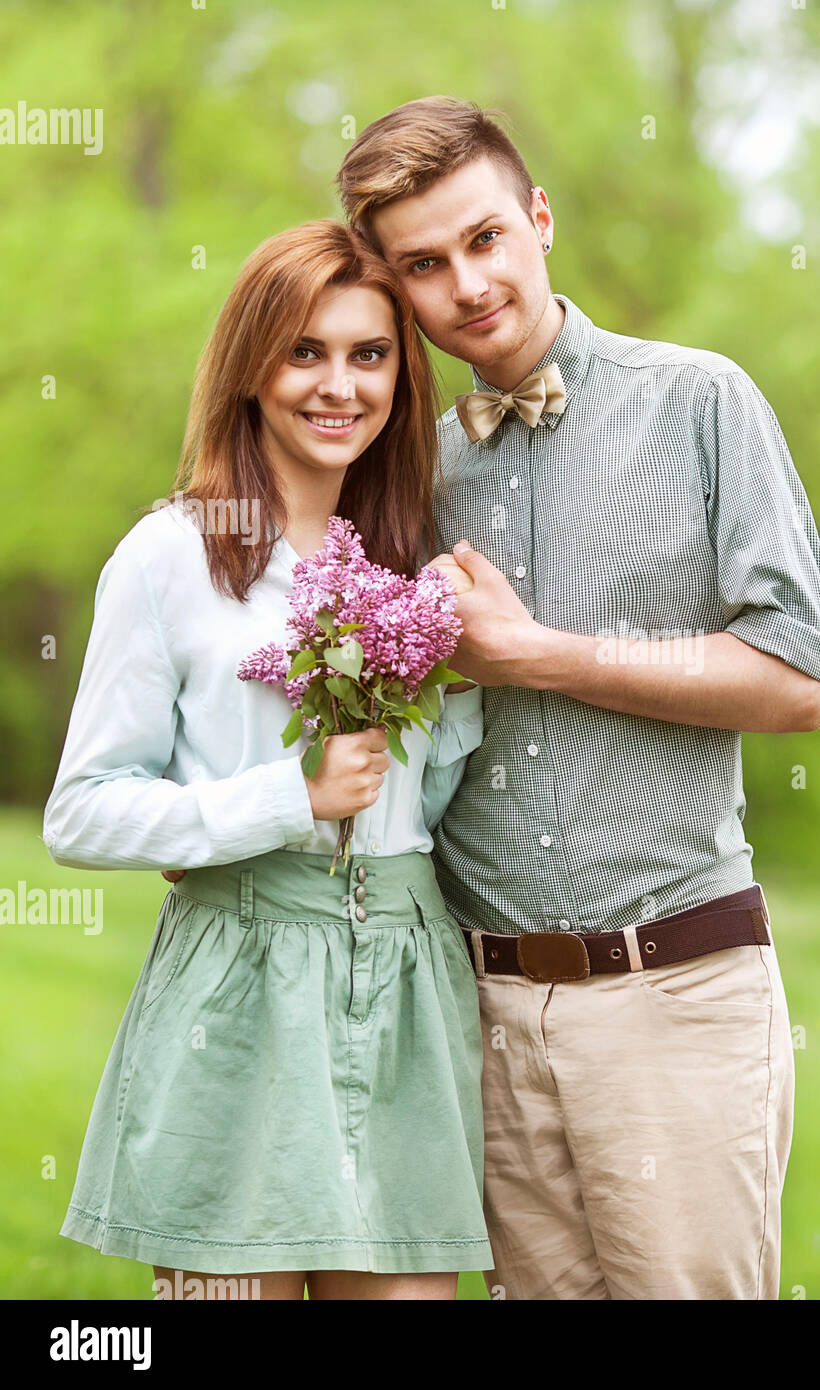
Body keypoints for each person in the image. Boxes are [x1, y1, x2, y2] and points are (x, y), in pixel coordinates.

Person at [336, 97, 820, 1300]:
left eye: (485, 238)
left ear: (540, 219)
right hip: (484, 1007)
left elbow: (796, 681)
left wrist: (538, 654)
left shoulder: (700, 403)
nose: (467, 283)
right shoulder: (398, 466)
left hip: (677, 986)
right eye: (423, 264)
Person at [42, 220, 492, 1300]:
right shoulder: (170, 556)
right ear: (251, 365)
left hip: (403, 981)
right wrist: (281, 801)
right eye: (305, 352)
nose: (338, 386)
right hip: (237, 991)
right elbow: (84, 811)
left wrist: (471, 672)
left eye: (369, 355)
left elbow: (428, 805)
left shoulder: (416, 565)